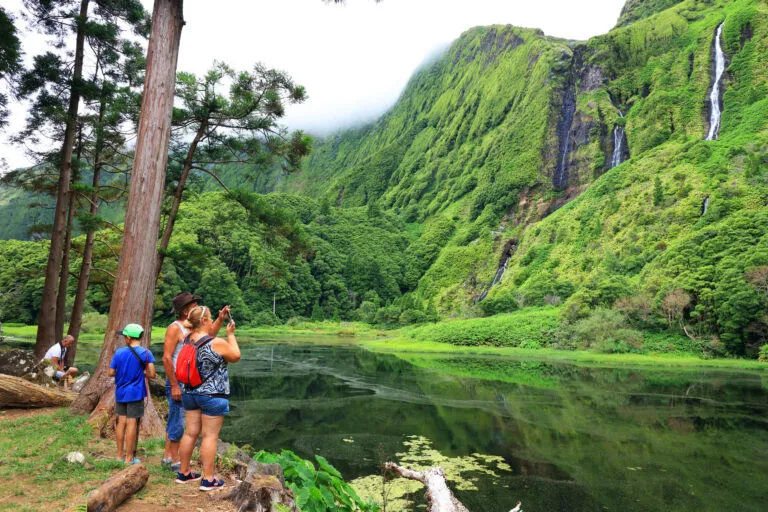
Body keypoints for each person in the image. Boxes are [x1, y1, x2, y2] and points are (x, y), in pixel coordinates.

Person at [162, 292, 229, 471]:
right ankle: (174, 460)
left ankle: (168, 457)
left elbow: (208, 337)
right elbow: (167, 358)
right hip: (178, 381)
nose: (197, 307)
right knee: (177, 421)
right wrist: (174, 384)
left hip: (188, 383)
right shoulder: (175, 328)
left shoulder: (192, 329)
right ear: (185, 311)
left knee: (180, 421)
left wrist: (220, 319)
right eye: (194, 305)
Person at [176, 306, 240, 491]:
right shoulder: (217, 342)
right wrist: (231, 335)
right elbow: (235, 356)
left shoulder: (187, 339)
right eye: (211, 318)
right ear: (204, 321)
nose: (212, 321)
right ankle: (209, 479)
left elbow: (206, 336)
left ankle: (184, 473)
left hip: (189, 393)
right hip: (212, 395)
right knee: (210, 436)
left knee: (190, 433)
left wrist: (220, 319)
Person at [109, 323, 156, 464]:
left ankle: (119, 455)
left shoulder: (119, 352)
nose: (124, 338)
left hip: (121, 392)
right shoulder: (146, 353)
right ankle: (129, 458)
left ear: (129, 338)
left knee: (121, 422)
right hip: (135, 393)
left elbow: (111, 372)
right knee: (132, 423)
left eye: (125, 336)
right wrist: (143, 372)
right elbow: (152, 374)